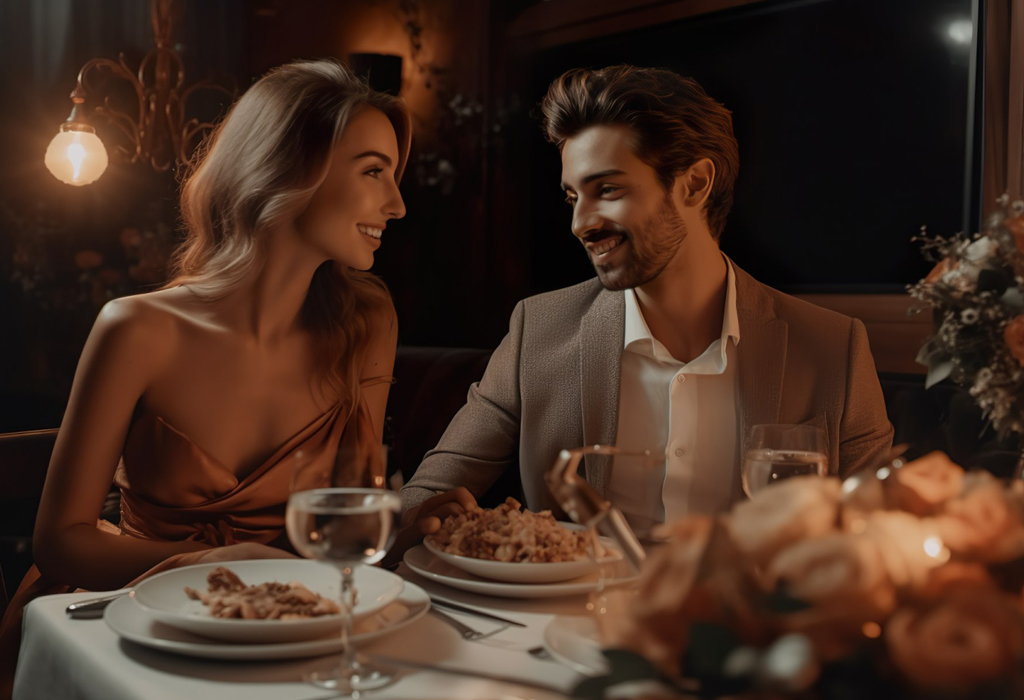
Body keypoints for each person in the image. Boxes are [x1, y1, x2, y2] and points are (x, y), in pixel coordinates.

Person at [0, 59, 408, 695]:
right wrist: (212, 562)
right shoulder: (136, 328)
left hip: (282, 622)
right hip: (118, 621)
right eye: (374, 172)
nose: (397, 204)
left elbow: (349, 511)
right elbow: (59, 543)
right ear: (290, 170)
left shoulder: (368, 323)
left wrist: (418, 516)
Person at [401, 65, 893, 540]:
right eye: (573, 197)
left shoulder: (833, 349)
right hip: (568, 623)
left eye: (607, 189)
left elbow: (884, 537)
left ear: (695, 184)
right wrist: (419, 523)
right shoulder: (539, 330)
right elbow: (425, 498)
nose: (580, 223)